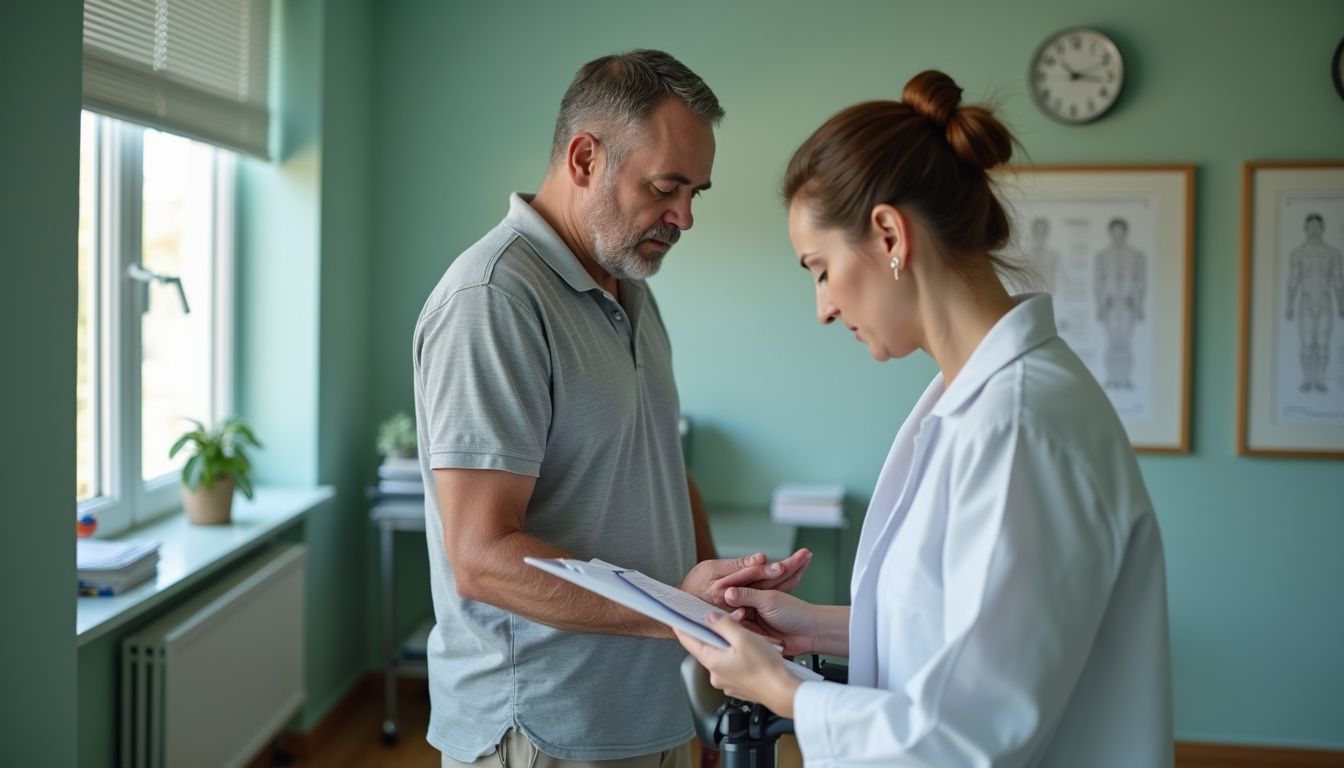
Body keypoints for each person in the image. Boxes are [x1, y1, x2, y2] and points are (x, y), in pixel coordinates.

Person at [675, 70, 1173, 766]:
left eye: (820, 269)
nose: (823, 308)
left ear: (889, 235)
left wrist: (785, 691)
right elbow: (958, 628)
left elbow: (971, 732)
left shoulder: (1016, 425)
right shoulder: (973, 403)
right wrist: (812, 628)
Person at [412, 50, 811, 768]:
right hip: (546, 730)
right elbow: (481, 556)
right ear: (585, 159)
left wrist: (714, 626)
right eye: (665, 187)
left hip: (654, 708)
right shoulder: (493, 300)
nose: (685, 216)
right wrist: (682, 613)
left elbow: (662, 468)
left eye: (696, 192)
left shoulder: (632, 290)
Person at [1285, 213, 1344, 393]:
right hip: (1306, 304)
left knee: (1323, 344)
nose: (1314, 230)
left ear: (1323, 228)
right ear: (1305, 228)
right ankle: (1306, 379)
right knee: (1306, 344)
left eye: (1317, 226)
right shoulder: (1298, 253)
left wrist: (1341, 304)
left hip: (1325, 303)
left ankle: (1319, 381)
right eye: (1310, 226)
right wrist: (1289, 305)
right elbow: (1293, 281)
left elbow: (1338, 281)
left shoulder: (1333, 253)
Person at [1094, 217, 1147, 390]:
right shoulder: (1102, 256)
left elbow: (1141, 282)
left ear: (1125, 232)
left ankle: (1125, 379)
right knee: (1112, 344)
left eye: (1120, 232)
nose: (1117, 235)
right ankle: (1111, 378)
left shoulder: (1137, 255)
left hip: (1127, 304)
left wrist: (1139, 306)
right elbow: (1098, 283)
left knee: (1125, 344)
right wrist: (1100, 306)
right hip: (1110, 305)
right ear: (1110, 233)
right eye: (1114, 232)